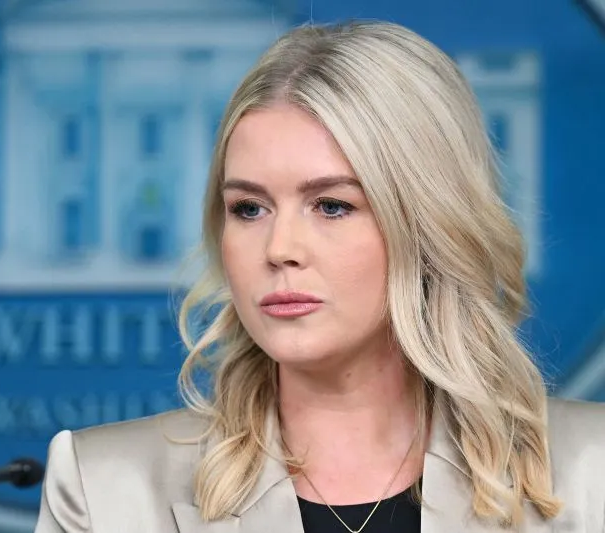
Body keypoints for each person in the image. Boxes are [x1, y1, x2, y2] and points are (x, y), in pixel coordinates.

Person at [33, 20, 605, 533]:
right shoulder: (103, 489)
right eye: (249, 209)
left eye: (331, 206)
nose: (279, 249)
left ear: (429, 220)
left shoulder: (591, 471)